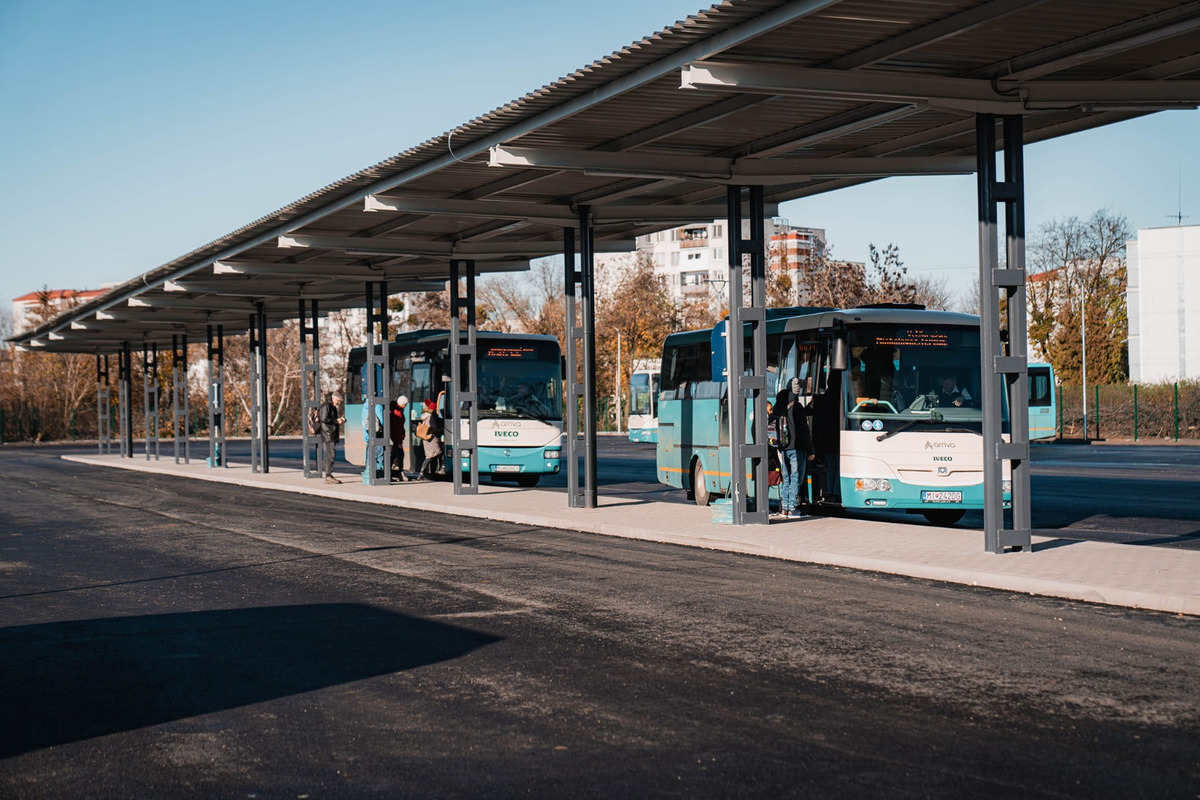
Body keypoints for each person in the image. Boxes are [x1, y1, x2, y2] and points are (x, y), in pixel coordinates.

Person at [771, 377, 815, 519]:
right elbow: (803, 431)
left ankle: (784, 508)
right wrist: (810, 450)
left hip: (783, 447)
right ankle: (792, 508)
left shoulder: (780, 405)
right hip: (797, 448)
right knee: (796, 477)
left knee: (787, 477)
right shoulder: (796, 407)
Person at [317, 391, 344, 484]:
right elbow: (324, 419)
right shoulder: (327, 406)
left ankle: (328, 475)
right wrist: (336, 421)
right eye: (338, 400)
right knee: (330, 455)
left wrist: (339, 420)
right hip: (328, 434)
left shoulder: (330, 406)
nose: (338, 402)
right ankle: (328, 476)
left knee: (329, 455)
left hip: (330, 434)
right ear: (333, 398)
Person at [417, 398, 444, 481]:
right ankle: (424, 473)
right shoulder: (431, 417)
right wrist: (440, 429)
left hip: (426, 439)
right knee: (433, 455)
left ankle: (428, 473)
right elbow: (434, 428)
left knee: (431, 456)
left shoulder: (424, 416)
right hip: (431, 439)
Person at [361, 395, 386, 480]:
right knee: (379, 453)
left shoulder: (364, 407)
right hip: (377, 434)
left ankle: (369, 471)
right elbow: (381, 420)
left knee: (370, 453)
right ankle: (379, 472)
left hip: (368, 434)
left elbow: (363, 422)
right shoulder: (378, 406)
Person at [389, 395, 410, 481]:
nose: (405, 406)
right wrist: (400, 435)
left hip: (397, 437)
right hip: (396, 437)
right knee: (399, 454)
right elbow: (397, 427)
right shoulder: (397, 413)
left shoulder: (397, 411)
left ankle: (397, 472)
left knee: (396, 455)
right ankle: (400, 473)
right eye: (405, 404)